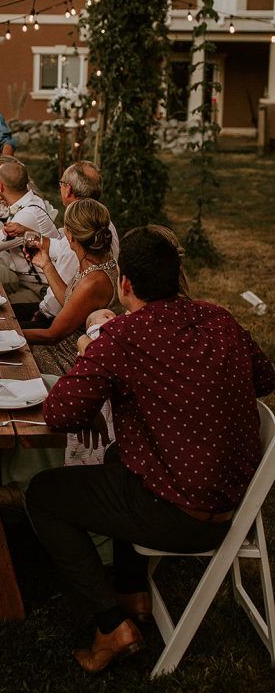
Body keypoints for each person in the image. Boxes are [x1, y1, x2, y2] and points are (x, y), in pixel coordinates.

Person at [26, 226, 275, 673]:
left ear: (125, 284)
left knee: (45, 494)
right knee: (117, 458)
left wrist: (89, 349)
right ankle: (132, 590)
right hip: (236, 503)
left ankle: (111, 625)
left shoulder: (124, 337)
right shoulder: (221, 320)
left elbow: (61, 414)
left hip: (182, 515)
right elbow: (265, 378)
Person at [23, 199, 118, 375]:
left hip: (67, 356)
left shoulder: (93, 281)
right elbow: (71, 301)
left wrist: (8, 334)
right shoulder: (97, 260)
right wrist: (47, 265)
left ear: (71, 236)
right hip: (67, 343)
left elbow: (53, 335)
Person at [31, 161, 119, 328]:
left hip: (56, 321)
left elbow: (62, 307)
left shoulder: (84, 239)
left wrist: (40, 315)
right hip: (63, 316)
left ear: (68, 189)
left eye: (61, 183)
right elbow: (60, 248)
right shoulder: (97, 222)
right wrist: (33, 237)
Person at [0, 160, 59, 306]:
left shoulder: (28, 214)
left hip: (41, 289)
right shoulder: (20, 205)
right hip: (21, 278)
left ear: (1, 186)